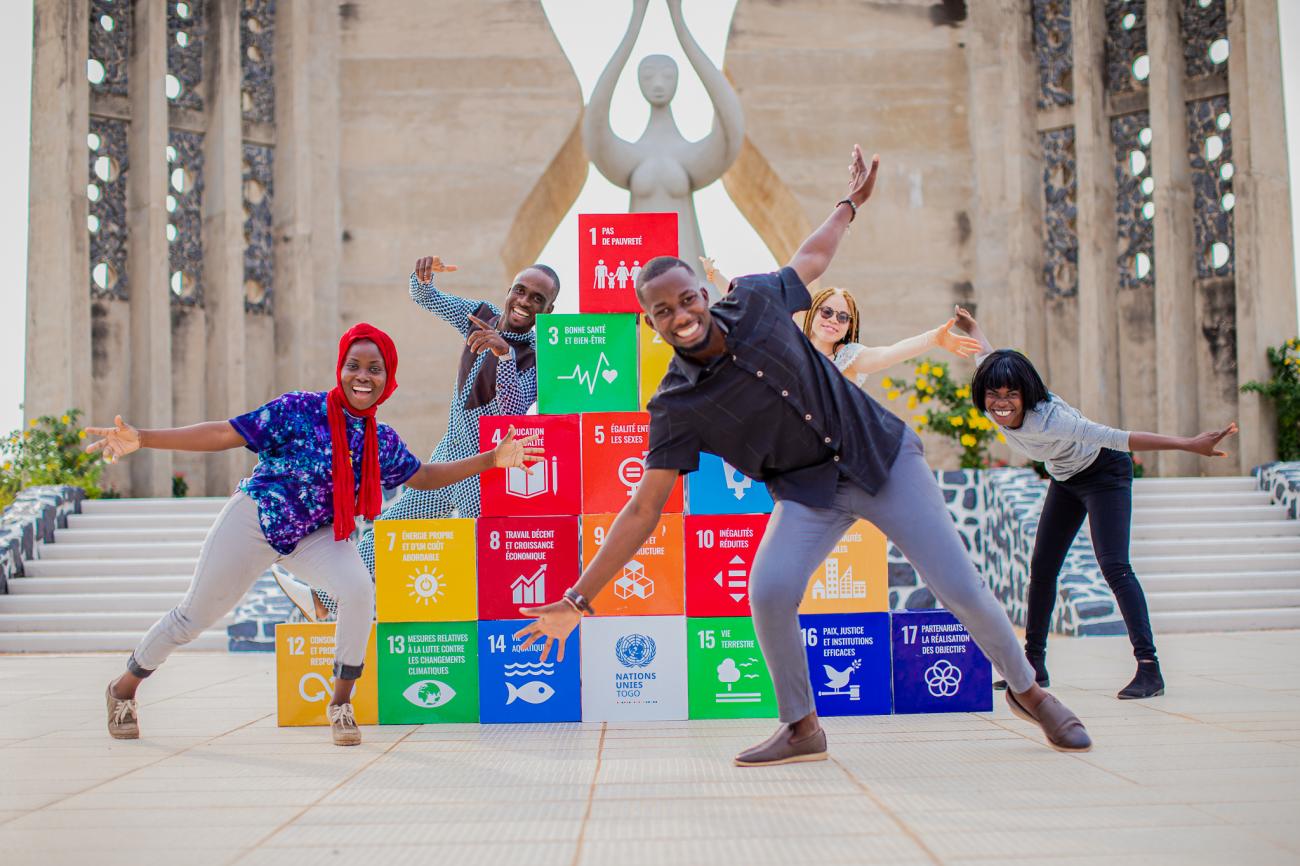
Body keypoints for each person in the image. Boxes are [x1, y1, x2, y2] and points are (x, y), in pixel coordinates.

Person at [517, 145, 1094, 765]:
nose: (679, 315)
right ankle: (802, 727)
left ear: (702, 294)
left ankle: (1029, 692)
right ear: (650, 322)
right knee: (769, 591)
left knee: (959, 585)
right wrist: (577, 599)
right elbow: (643, 509)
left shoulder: (756, 299)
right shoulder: (676, 405)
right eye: (662, 312)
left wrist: (849, 204)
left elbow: (811, 257)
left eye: (685, 300)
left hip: (881, 458)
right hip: (809, 493)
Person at [88, 324, 541, 746]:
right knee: (192, 618)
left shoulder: (380, 440)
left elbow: (423, 476)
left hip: (317, 534)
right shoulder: (299, 410)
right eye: (353, 366)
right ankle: (122, 689)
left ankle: (341, 704)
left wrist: (492, 459)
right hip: (258, 518)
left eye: (375, 369)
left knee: (359, 590)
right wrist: (143, 438)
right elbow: (225, 433)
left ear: (388, 379)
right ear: (340, 369)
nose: (362, 377)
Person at [954, 306, 1239, 699]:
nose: (1002, 402)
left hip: (1104, 473)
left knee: (1115, 566)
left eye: (1011, 395)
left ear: (1025, 394)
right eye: (994, 395)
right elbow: (986, 357)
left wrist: (1188, 444)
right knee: (1042, 568)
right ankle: (1032, 667)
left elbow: (1119, 438)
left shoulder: (1052, 419)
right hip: (1065, 478)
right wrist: (974, 328)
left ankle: (1149, 669)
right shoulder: (994, 404)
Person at [278, 257, 561, 622]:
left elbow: (513, 408)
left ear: (548, 311)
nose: (524, 301)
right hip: (448, 460)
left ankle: (496, 631)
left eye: (537, 299)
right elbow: (427, 298)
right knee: (388, 532)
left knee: (487, 558)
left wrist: (504, 354)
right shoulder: (482, 317)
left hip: (485, 472)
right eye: (520, 291)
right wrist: (422, 279)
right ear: (509, 292)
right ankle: (324, 602)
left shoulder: (538, 356)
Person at [698, 256, 981, 384]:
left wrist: (933, 338)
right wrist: (715, 276)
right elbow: (751, 306)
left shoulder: (849, 358)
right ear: (813, 313)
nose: (834, 320)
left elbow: (887, 355)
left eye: (843, 317)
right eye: (827, 312)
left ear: (849, 326)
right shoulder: (792, 342)